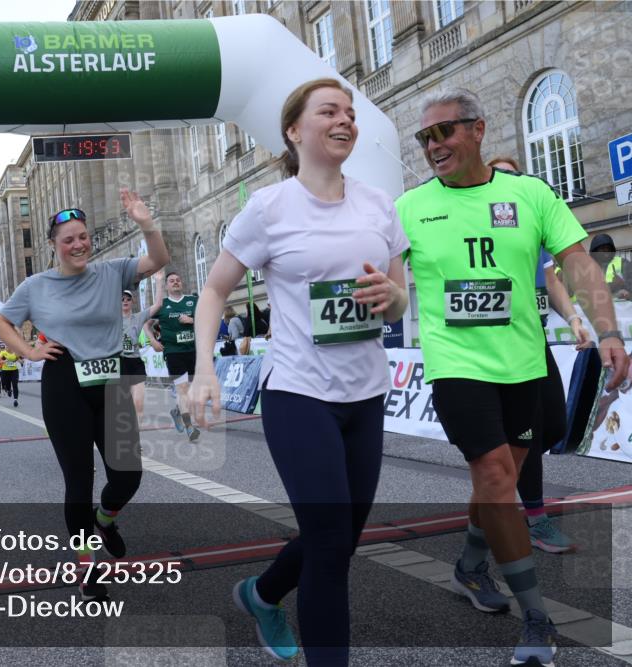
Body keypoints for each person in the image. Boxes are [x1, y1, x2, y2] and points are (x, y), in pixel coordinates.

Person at [397, 88, 628, 667]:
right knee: (497, 476)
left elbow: (579, 264)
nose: (433, 146)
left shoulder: (530, 193)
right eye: (424, 138)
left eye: (443, 133)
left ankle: (471, 566)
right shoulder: (408, 208)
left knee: (501, 478)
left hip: (524, 365)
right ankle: (537, 619)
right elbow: (379, 274)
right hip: (456, 366)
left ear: (477, 130)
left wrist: (609, 332)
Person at [189, 78, 409, 665]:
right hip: (297, 392)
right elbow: (213, 291)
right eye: (329, 111)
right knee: (333, 543)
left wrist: (391, 295)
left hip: (365, 394)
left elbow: (400, 299)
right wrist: (204, 369)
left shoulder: (378, 205)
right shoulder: (268, 208)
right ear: (294, 130)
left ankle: (262, 595)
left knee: (337, 538)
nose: (345, 121)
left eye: (350, 113)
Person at [0, 189, 169, 602]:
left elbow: (158, 260)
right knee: (79, 480)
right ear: (53, 246)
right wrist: (30, 351)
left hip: (110, 381)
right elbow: (1, 322)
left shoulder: (111, 271)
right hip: (64, 384)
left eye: (83, 236)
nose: (78, 245)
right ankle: (86, 565)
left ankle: (104, 520)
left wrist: (146, 223)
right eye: (68, 239)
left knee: (128, 475)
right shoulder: (36, 285)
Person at [488, 156, 592, 554]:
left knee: (552, 426)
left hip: (536, 343)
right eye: (502, 174)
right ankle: (534, 517)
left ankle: (500, 487)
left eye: (516, 173)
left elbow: (551, 281)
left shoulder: (530, 231)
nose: (510, 181)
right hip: (495, 350)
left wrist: (574, 320)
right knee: (526, 433)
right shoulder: (482, 233)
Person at [153, 270, 202, 442]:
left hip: (193, 351)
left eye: (178, 280)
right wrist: (153, 341)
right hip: (174, 352)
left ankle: (176, 411)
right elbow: (145, 321)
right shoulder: (162, 304)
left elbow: (209, 317)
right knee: (182, 390)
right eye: (172, 280)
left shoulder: (193, 301)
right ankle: (190, 427)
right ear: (166, 286)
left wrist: (192, 320)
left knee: (192, 391)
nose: (175, 282)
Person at [120, 287, 161, 421]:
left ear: (133, 301)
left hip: (135, 362)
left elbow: (158, 305)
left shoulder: (138, 317)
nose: (125, 301)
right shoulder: (112, 319)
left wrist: (159, 282)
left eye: (128, 299)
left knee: (138, 404)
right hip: (119, 362)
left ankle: (136, 437)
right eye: (122, 299)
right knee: (123, 406)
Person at [588, 233, 629, 299]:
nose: (606, 250)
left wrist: (624, 286)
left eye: (608, 248)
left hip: (621, 308)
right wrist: (612, 286)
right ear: (594, 251)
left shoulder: (623, 262)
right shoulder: (587, 267)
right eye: (602, 248)